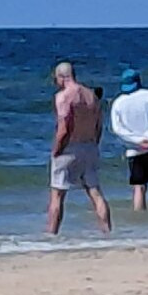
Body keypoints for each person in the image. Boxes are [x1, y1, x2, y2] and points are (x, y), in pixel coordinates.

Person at [46, 62, 112, 234]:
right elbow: (99, 125)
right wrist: (94, 144)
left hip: (70, 147)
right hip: (89, 145)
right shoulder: (91, 95)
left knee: (57, 194)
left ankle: (52, 234)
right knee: (95, 191)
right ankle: (106, 230)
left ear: (61, 77)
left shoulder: (63, 96)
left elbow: (65, 126)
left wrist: (57, 148)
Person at [110, 68, 148, 211]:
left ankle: (140, 224)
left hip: (134, 150)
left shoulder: (118, 103)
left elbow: (118, 129)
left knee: (139, 188)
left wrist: (137, 141)